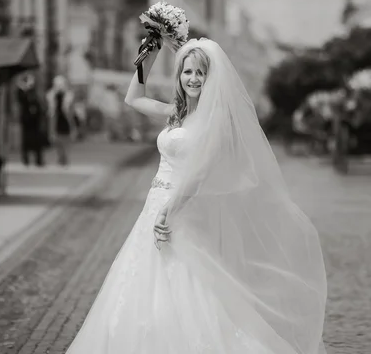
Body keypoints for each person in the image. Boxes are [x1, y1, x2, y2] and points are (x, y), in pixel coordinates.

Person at [65, 38, 327, 354]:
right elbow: (134, 97)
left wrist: (170, 211)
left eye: (199, 73)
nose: (192, 79)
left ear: (210, 77)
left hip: (182, 209)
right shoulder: (176, 112)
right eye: (187, 72)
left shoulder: (216, 121)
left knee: (190, 283)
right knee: (144, 279)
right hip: (155, 205)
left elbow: (200, 174)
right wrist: (150, 52)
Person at [16, 72, 46, 166]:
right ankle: (26, 159)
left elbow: (39, 104)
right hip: (27, 120)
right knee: (26, 141)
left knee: (37, 141)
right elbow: (21, 99)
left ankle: (39, 160)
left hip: (35, 121)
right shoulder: (21, 92)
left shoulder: (34, 92)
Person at [47, 75, 77, 166]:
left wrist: (73, 124)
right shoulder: (51, 96)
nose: (59, 87)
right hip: (56, 120)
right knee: (57, 139)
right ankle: (61, 157)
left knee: (66, 140)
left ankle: (65, 158)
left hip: (65, 120)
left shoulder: (69, 96)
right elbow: (51, 111)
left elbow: (71, 112)